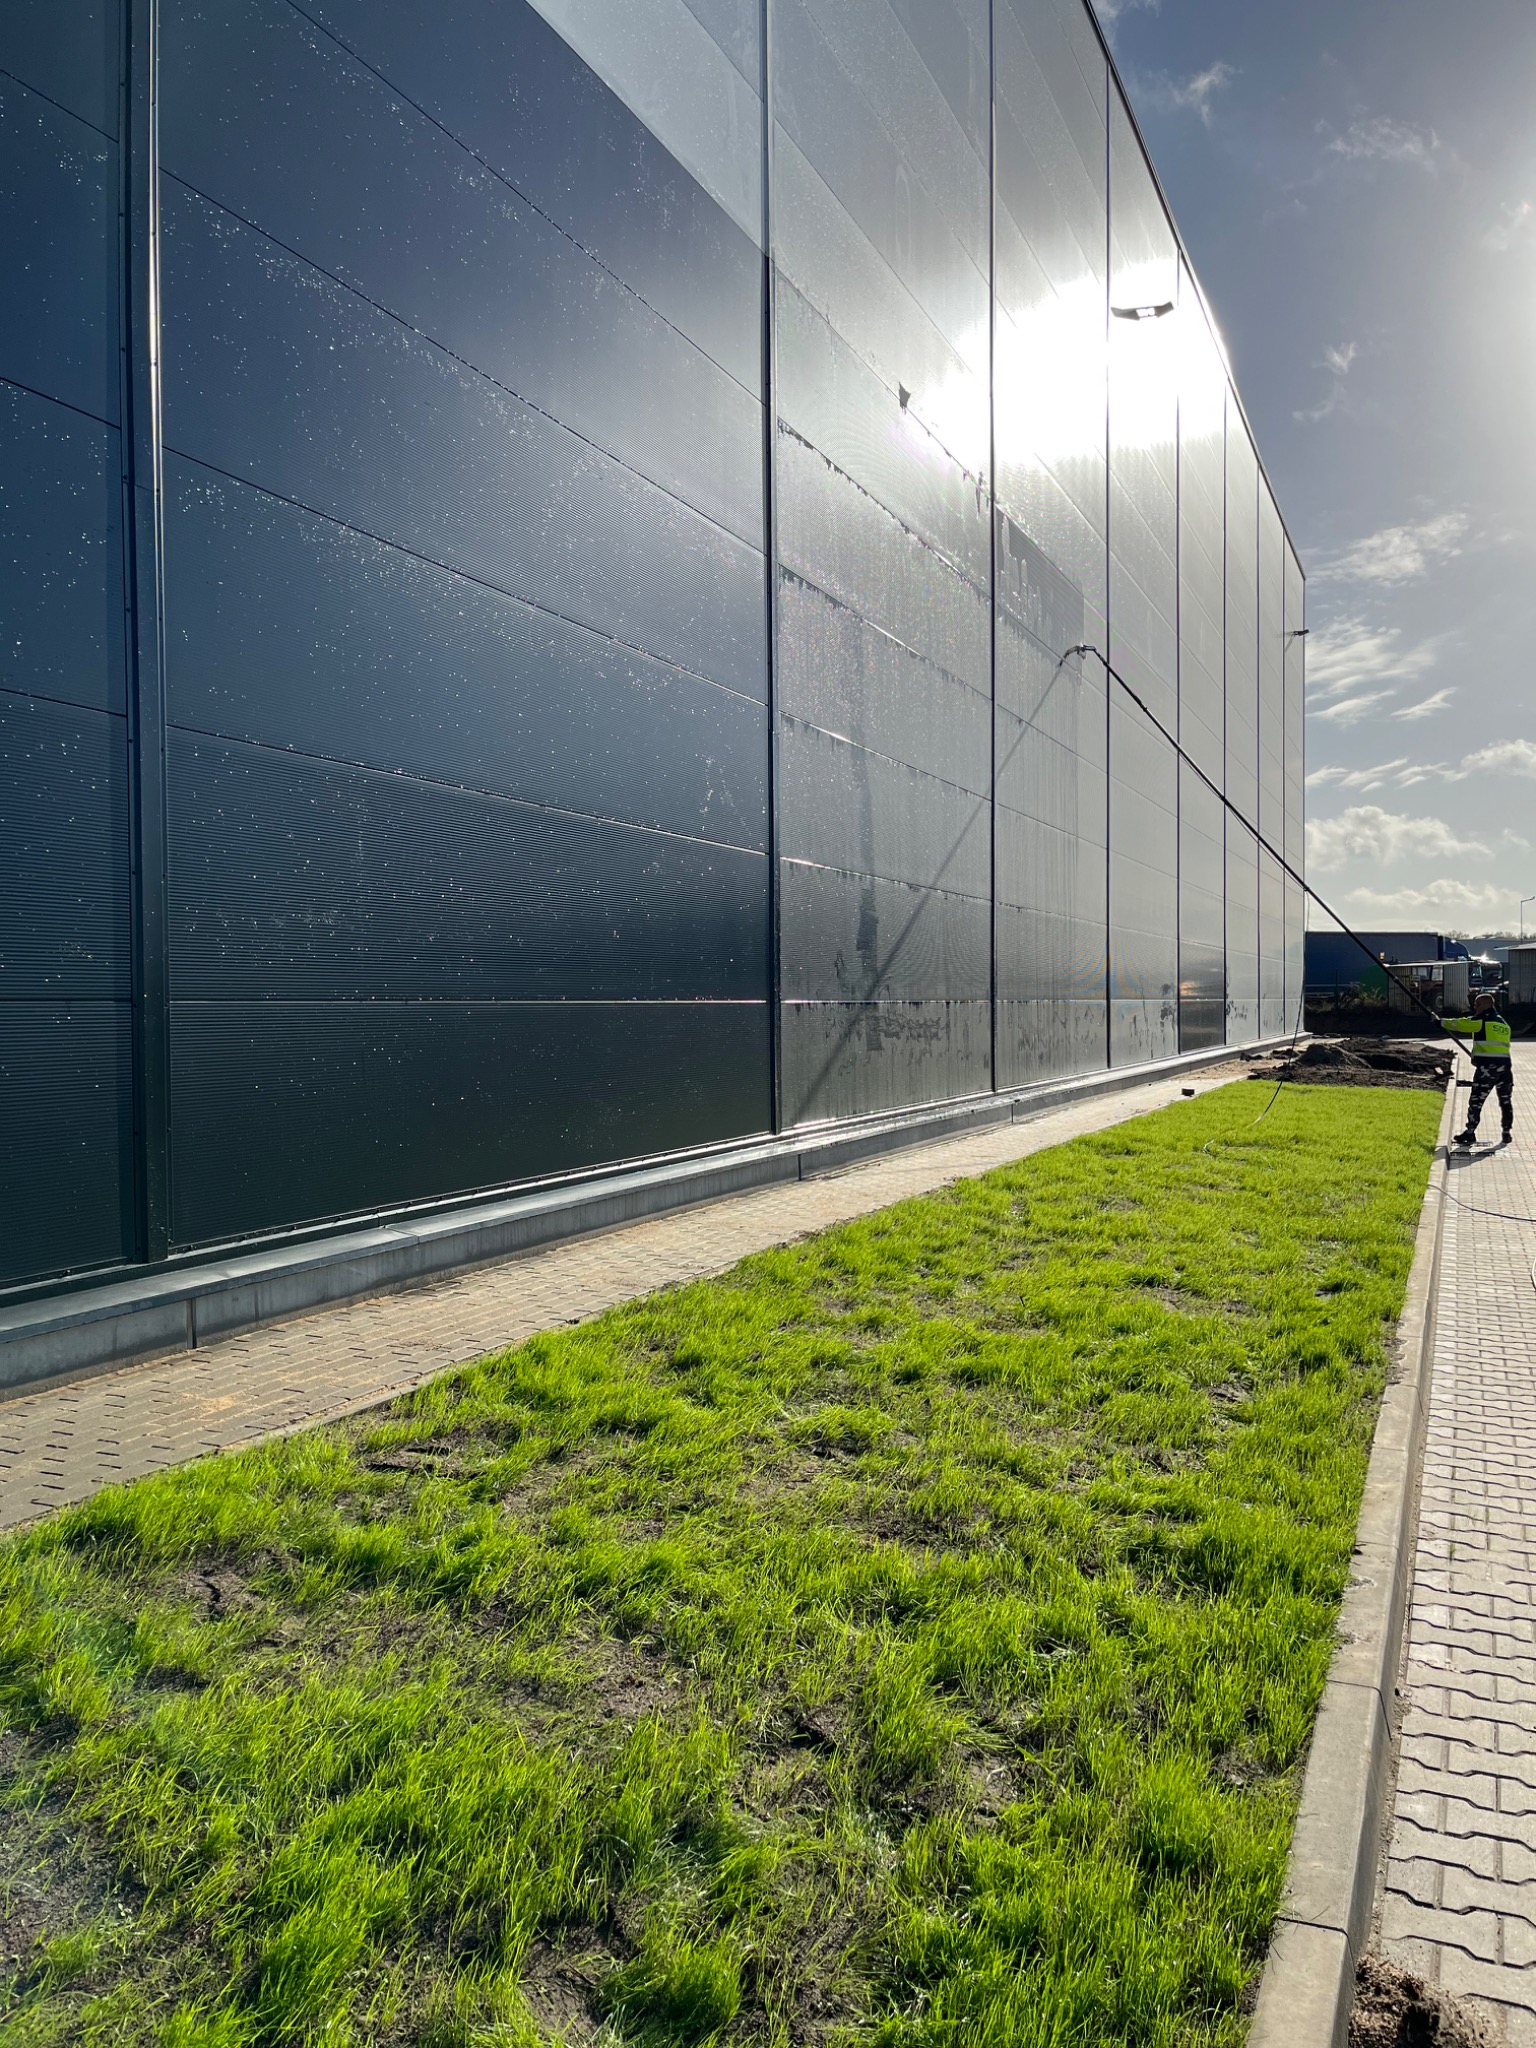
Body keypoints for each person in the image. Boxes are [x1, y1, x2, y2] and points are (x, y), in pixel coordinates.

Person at [1445, 990, 1514, 1147]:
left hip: (1488, 1069)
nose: (1474, 1007)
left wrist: (1440, 1022)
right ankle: (1506, 1133)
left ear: (1484, 1005)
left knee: (1476, 1100)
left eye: (1477, 1004)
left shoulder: (1483, 1020)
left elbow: (1462, 1024)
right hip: (1505, 1069)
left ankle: (1470, 1133)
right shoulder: (1503, 1024)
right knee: (1505, 1100)